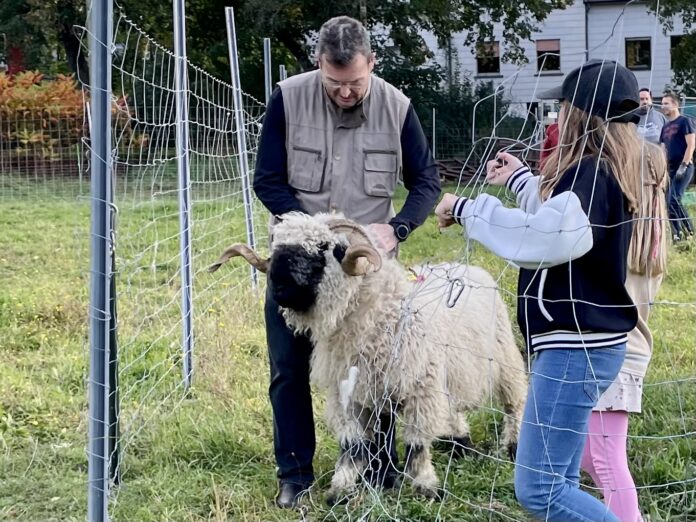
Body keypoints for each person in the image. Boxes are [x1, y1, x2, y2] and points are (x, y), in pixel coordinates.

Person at [435, 60, 641, 521]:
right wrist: (518, 180)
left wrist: (468, 209)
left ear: (581, 114)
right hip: (586, 345)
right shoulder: (599, 172)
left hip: (576, 349)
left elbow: (548, 237)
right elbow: (560, 218)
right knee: (561, 482)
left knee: (540, 490)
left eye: (562, 108)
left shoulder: (591, 172)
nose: (555, 117)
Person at [252, 15, 441, 508]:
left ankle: (375, 464)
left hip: (365, 275)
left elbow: (427, 183)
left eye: (355, 82)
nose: (346, 92)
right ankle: (294, 473)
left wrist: (396, 228)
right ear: (319, 65)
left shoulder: (398, 106)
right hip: (299, 265)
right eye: (335, 83)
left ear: (371, 65)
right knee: (288, 368)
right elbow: (267, 179)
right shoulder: (287, 98)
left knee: (374, 368)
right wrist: (309, 231)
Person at [580, 140, 668, 522]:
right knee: (588, 455)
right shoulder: (653, 240)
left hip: (613, 353)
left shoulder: (621, 236)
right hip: (627, 352)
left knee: (606, 459)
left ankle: (627, 518)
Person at [659, 92, 695, 240]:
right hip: (669, 169)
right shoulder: (665, 127)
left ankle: (690, 231)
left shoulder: (685, 121)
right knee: (668, 202)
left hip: (684, 166)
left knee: (674, 198)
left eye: (666, 103)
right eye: (662, 103)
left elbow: (691, 145)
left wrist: (684, 165)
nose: (662, 106)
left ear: (675, 104)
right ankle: (677, 234)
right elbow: (662, 148)